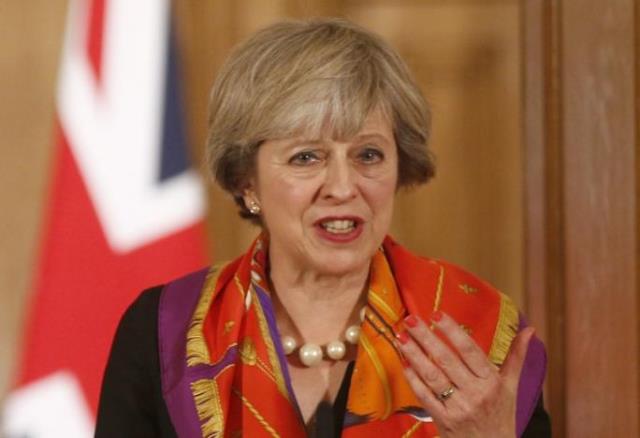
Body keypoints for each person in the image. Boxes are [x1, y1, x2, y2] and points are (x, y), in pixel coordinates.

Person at [95, 18, 550, 438]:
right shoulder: (164, 333)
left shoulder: (475, 329)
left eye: (368, 155)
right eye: (306, 157)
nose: (342, 186)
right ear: (246, 180)